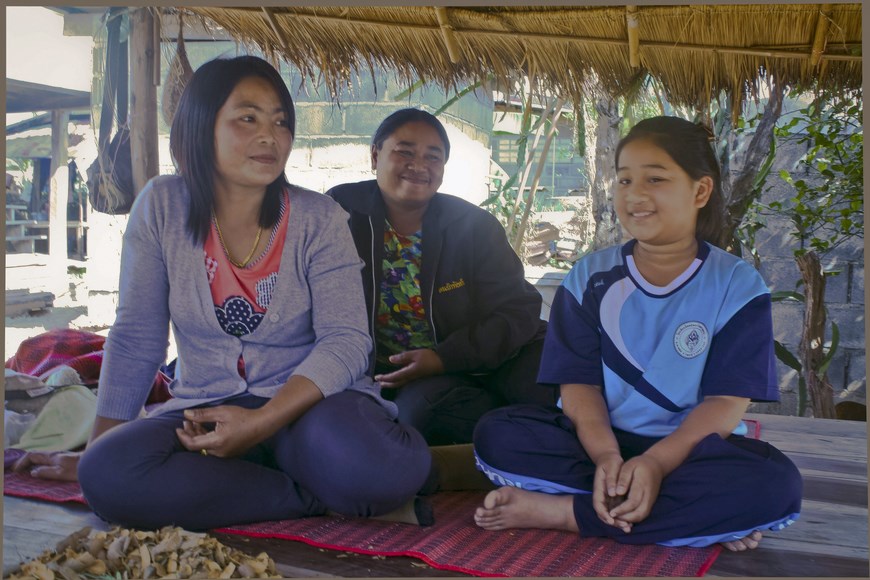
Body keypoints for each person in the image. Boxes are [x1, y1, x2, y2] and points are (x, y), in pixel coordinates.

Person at [12, 56, 432, 531]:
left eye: (280, 122)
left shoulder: (319, 218)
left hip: (309, 411)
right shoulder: (162, 208)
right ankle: (309, 497)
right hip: (205, 411)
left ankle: (280, 476)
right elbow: (135, 338)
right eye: (248, 118)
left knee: (383, 469)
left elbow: (348, 341)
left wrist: (262, 421)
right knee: (106, 475)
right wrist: (96, 450)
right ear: (201, 126)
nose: (270, 136)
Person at [472, 116, 803, 551]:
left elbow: (724, 404)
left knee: (774, 486)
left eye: (655, 179)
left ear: (700, 191)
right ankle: (693, 519)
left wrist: (657, 464)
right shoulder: (589, 277)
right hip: (594, 444)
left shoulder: (737, 286)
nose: (634, 194)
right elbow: (579, 387)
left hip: (689, 452)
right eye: (624, 180)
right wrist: (607, 456)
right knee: (497, 434)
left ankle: (566, 513)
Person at [325, 108, 556, 447]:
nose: (419, 165)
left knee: (558, 394)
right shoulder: (341, 213)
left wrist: (444, 357)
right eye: (405, 151)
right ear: (375, 156)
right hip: (412, 377)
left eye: (433, 157)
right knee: (420, 418)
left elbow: (519, 310)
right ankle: (508, 433)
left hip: (505, 355)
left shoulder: (473, 226)